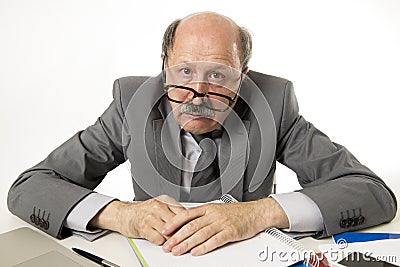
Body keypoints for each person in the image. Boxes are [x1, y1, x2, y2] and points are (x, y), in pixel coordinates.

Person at [7, 12, 397, 257]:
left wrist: (258, 213)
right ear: (164, 67)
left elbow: (371, 193)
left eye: (218, 75)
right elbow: (29, 187)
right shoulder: (131, 103)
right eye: (184, 71)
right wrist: (120, 214)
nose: (198, 94)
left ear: (243, 76)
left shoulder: (273, 103)